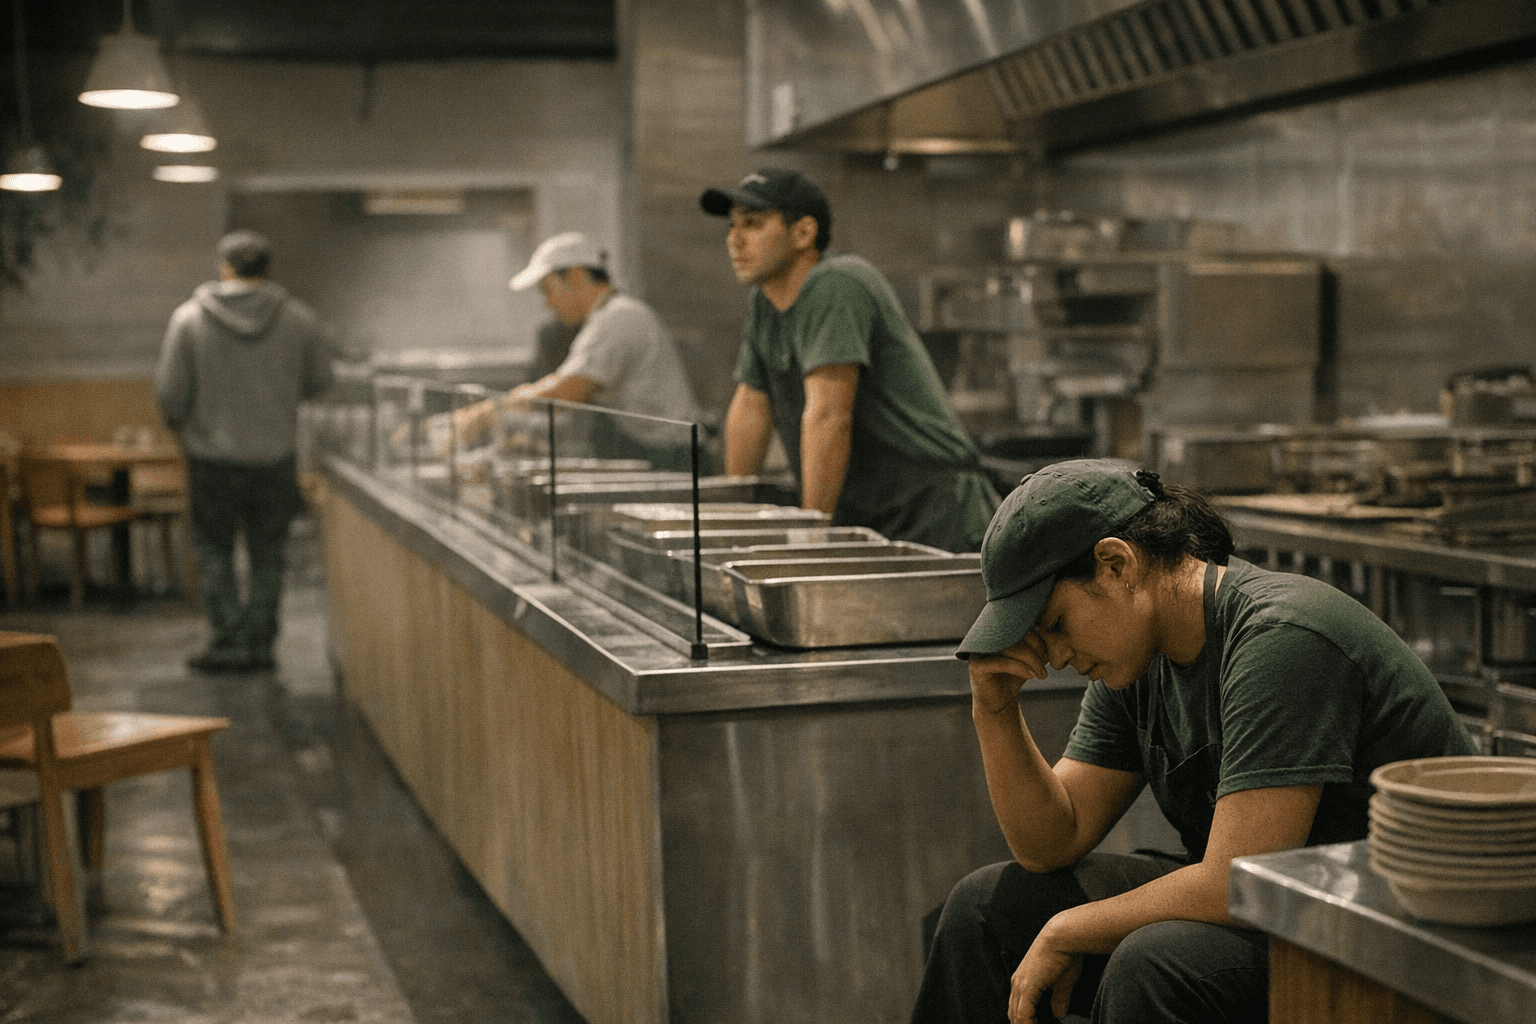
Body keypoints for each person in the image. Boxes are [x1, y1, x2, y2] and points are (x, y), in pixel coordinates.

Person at [912, 458, 1478, 1024]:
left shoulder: (1281, 635)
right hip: (1278, 912)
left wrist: (1066, 930)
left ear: (1116, 564)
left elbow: (1238, 876)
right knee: (982, 913)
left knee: (1155, 964)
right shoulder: (1134, 659)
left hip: (1391, 934)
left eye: (1056, 624)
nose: (1054, 657)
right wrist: (994, 709)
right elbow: (1051, 842)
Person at [699, 167, 1000, 553]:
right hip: (871, 514)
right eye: (732, 225)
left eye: (753, 224)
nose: (734, 240)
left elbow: (829, 416)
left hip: (933, 514)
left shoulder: (837, 283)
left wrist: (811, 536)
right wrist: (735, 521)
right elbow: (750, 405)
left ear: (804, 233)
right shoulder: (766, 302)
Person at [155, 230, 334, 672]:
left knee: (214, 551)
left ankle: (228, 641)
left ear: (224, 268)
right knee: (268, 554)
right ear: (268, 269)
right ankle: (261, 642)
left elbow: (170, 395)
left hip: (211, 460)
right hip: (275, 458)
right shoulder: (300, 319)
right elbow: (320, 382)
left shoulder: (189, 320)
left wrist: (186, 426)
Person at [439, 231, 703, 472]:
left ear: (576, 276)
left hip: (673, 459)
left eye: (548, 290)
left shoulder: (617, 319)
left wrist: (487, 413)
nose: (548, 303)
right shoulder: (606, 318)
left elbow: (565, 392)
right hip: (656, 453)